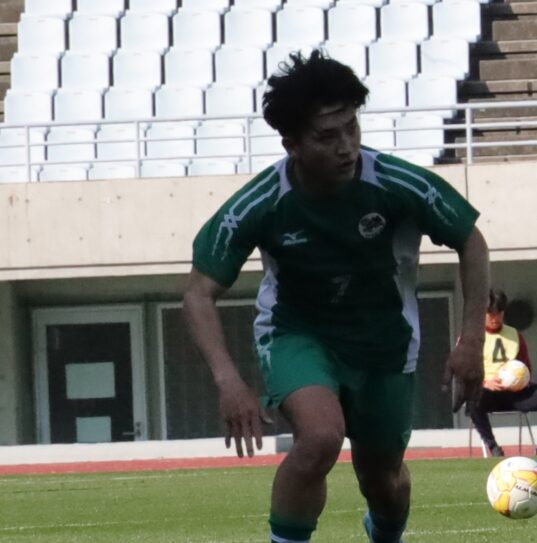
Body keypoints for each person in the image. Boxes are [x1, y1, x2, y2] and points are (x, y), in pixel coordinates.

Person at [182, 51, 489, 543]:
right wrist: (229, 382)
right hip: (298, 334)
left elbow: (470, 240)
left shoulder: (396, 183)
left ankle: (385, 532)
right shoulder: (258, 204)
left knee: (382, 479)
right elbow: (199, 293)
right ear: (292, 144)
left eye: (352, 128)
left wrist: (470, 340)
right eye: (327, 137)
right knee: (320, 438)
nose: (346, 147)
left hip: (385, 342)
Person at [468, 288, 537, 457]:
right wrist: (486, 383)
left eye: (499, 313)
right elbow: (463, 375)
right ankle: (493, 448)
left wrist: (521, 380)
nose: (495, 318)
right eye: (490, 313)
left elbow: (526, 368)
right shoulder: (470, 338)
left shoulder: (514, 335)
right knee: (471, 397)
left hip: (516, 394)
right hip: (487, 395)